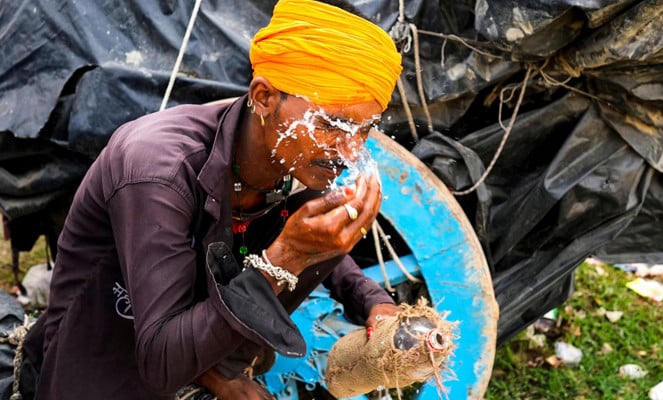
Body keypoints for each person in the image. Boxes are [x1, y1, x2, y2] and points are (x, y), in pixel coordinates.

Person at [19, 0, 404, 398]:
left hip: (202, 357)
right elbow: (161, 361)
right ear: (264, 97)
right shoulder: (157, 170)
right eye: (331, 123)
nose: (350, 150)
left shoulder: (292, 159)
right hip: (106, 373)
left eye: (366, 129)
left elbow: (311, 240)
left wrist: (372, 299)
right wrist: (286, 257)